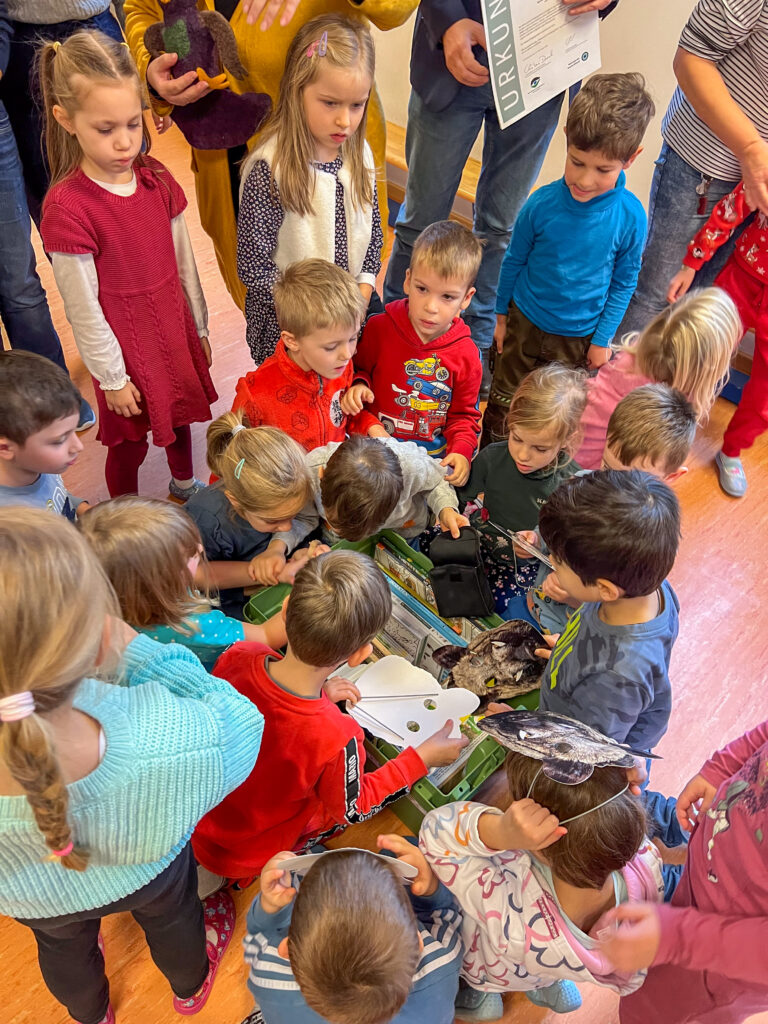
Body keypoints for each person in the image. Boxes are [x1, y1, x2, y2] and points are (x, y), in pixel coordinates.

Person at [0, 507, 264, 1024]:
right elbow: (241, 725)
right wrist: (145, 655)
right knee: (175, 922)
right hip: (149, 873)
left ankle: (91, 1015)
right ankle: (189, 991)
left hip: (36, 899)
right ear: (101, 637)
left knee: (62, 952)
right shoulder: (163, 735)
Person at [191, 550, 469, 889]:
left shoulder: (238, 655)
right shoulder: (337, 737)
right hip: (252, 856)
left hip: (198, 821)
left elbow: (270, 711)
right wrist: (421, 759)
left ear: (284, 608)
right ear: (360, 655)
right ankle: (236, 881)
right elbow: (352, 809)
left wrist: (320, 693)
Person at [383, 0, 620, 398]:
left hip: (541, 66)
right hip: (453, 52)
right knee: (420, 225)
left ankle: (473, 357)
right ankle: (391, 337)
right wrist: (447, 20)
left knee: (499, 231)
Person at [125, 0, 417, 313]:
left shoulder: (353, 150)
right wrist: (153, 66)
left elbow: (395, 8)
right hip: (223, 155)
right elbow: (141, 10)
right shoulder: (261, 174)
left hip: (331, 158)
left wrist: (363, 283)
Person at [39, 31, 216, 500]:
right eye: (105, 129)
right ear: (66, 120)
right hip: (124, 346)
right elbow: (83, 311)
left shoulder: (156, 177)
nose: (124, 143)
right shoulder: (69, 207)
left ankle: (184, 486)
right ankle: (125, 513)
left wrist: (198, 327)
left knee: (182, 418)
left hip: (172, 327)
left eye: (133, 125)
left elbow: (185, 266)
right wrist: (112, 378)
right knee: (129, 444)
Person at [419, 745, 664, 1019]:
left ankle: (481, 998)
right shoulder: (647, 859)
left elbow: (436, 834)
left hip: (498, 965)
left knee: (484, 962)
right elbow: (600, 815)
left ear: (539, 847)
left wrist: (501, 832)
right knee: (545, 967)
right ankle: (548, 986)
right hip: (556, 961)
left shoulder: (514, 923)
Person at [482, 73, 654, 446]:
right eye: (577, 162)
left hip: (577, 341)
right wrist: (500, 316)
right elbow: (513, 260)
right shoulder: (541, 203)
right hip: (523, 325)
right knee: (502, 406)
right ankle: (484, 479)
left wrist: (602, 339)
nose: (585, 180)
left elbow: (624, 282)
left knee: (557, 416)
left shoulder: (630, 217)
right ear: (566, 141)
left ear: (630, 159)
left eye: (603, 170)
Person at [616, 0, 768, 340]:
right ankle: (611, 392)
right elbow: (691, 58)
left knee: (698, 316)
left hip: (752, 193)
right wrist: (750, 149)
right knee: (655, 298)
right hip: (703, 170)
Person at [237, 14, 382, 364]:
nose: (344, 120)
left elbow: (373, 235)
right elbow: (254, 265)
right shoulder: (270, 170)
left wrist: (361, 293)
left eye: (357, 104)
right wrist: (314, 317)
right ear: (297, 89)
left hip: (346, 320)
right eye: (330, 103)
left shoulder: (359, 154)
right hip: (292, 328)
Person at [603, 719, 768, 1024]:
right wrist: (721, 767)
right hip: (702, 884)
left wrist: (678, 937)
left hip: (719, 963)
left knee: (655, 1011)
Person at [529, 385, 695, 637]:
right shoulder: (582, 483)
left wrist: (576, 599)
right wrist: (535, 539)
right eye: (607, 466)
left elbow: (619, 610)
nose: (610, 485)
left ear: (671, 477)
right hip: (535, 605)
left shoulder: (648, 541)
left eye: (630, 479)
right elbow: (558, 533)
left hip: (569, 636)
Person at [242, 837, 463, 1024]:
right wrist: (430, 891)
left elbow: (256, 941)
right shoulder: (441, 965)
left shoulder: (269, 980)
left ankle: (308, 869)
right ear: (418, 944)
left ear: (286, 949)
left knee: (294, 883)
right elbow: (445, 917)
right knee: (409, 847)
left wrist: (270, 910)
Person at [535, 470, 681, 751]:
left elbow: (583, 750)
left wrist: (519, 728)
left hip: (572, 744)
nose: (551, 560)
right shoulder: (646, 586)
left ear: (606, 590)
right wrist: (572, 654)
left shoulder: (616, 677)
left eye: (559, 563)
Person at [0, 0, 95, 432]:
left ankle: (58, 396)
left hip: (82, 31)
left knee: (23, 270)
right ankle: (33, 407)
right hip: (24, 45)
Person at [80, 497, 290, 670]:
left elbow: (199, 577)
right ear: (160, 581)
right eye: (189, 555)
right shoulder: (192, 625)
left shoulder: (115, 594)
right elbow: (266, 636)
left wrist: (274, 573)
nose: (199, 548)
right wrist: (300, 598)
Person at [351, 220, 483, 485]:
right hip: (376, 455)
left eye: (447, 297)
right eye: (423, 289)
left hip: (430, 464)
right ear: (408, 280)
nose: (431, 307)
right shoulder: (378, 328)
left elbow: (464, 416)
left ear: (466, 298)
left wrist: (461, 452)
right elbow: (357, 372)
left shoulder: (468, 354)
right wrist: (358, 385)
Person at [457, 364, 586, 619]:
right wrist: (455, 514)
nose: (523, 455)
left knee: (503, 615)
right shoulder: (494, 456)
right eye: (516, 438)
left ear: (567, 438)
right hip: (480, 549)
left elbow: (570, 540)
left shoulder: (572, 484)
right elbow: (462, 499)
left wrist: (538, 541)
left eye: (540, 449)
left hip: (525, 569)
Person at [668, 183, 768, 497]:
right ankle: (670, 429)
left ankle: (732, 450)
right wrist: (692, 263)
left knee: (765, 397)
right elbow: (731, 209)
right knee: (701, 354)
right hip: (743, 276)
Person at [574, 288, 741, 470]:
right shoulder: (673, 401)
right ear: (707, 368)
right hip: (601, 476)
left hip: (571, 453)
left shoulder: (633, 351)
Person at [232, 259, 385, 451]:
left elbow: (346, 417)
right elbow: (231, 458)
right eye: (331, 347)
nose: (347, 354)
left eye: (352, 338)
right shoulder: (254, 396)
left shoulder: (339, 367)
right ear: (292, 341)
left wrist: (371, 426)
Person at [184, 411, 317, 617]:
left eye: (294, 513)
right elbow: (196, 575)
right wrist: (270, 573)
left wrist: (294, 549)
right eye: (273, 520)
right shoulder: (205, 519)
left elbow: (305, 522)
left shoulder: (295, 485)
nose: (287, 527)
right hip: (231, 597)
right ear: (235, 501)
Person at [270, 435, 469, 556]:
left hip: (405, 534)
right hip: (337, 544)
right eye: (335, 521)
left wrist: (446, 509)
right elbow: (303, 517)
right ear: (321, 478)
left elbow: (438, 480)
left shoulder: (412, 466)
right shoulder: (309, 473)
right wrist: (278, 546)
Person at [0, 351, 86, 520]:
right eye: (60, 440)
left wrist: (84, 509)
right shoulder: (10, 522)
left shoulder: (38, 464)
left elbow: (56, 499)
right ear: (5, 448)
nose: (78, 446)